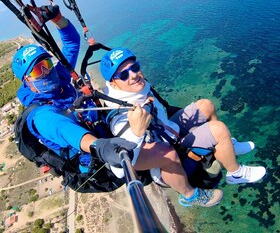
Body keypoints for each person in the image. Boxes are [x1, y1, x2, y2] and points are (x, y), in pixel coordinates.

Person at [99, 47, 267, 207]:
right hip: (166, 162)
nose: (134, 75)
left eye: (135, 67)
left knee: (206, 105)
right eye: (124, 74)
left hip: (170, 132)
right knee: (218, 129)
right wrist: (136, 132)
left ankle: (227, 146)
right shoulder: (121, 116)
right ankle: (230, 175)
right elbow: (123, 165)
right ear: (113, 84)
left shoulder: (139, 91)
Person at [11, 5, 138, 176]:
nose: (46, 72)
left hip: (100, 128)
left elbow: (71, 43)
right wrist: (99, 147)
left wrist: (57, 19)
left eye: (47, 64)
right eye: (37, 70)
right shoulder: (40, 115)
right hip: (94, 161)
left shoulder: (60, 76)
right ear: (27, 80)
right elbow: (63, 129)